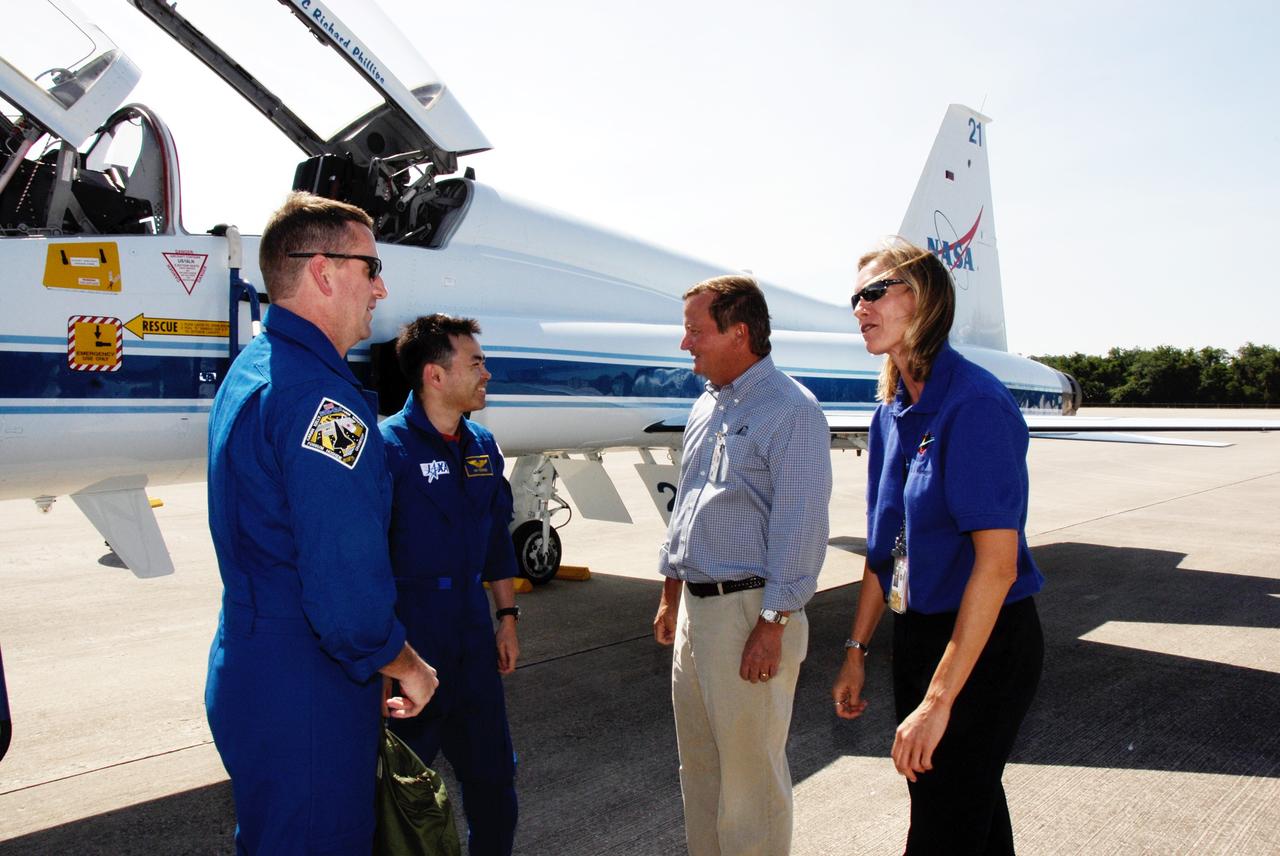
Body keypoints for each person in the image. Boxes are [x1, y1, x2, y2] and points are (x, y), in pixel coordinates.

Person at [205, 192, 438, 854]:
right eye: (371, 267)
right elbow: (342, 581)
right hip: (307, 688)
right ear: (324, 271)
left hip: (256, 666)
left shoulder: (255, 368)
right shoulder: (322, 401)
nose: (381, 286)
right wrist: (406, 662)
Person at [831, 238, 1045, 855]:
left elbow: (998, 566)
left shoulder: (973, 405)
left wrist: (937, 699)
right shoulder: (890, 411)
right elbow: (886, 548)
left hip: (987, 643)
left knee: (942, 823)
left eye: (874, 292)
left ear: (921, 299)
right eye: (854, 299)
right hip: (920, 635)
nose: (859, 309)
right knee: (960, 804)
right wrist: (856, 647)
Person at [653, 275, 832, 856]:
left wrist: (773, 624)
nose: (686, 344)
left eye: (695, 330)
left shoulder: (791, 411)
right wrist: (670, 590)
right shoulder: (708, 402)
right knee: (700, 771)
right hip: (696, 615)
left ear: (740, 332)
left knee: (751, 784)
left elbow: (801, 528)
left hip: (750, 614)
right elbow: (689, 501)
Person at [380, 314, 521, 856]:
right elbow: (365, 557)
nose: (486, 372)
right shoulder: (386, 448)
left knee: (493, 777)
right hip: (412, 636)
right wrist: (383, 660)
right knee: (402, 786)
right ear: (435, 376)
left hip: (471, 632)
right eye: (476, 362)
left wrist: (506, 618)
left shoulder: (483, 444)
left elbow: (496, 540)